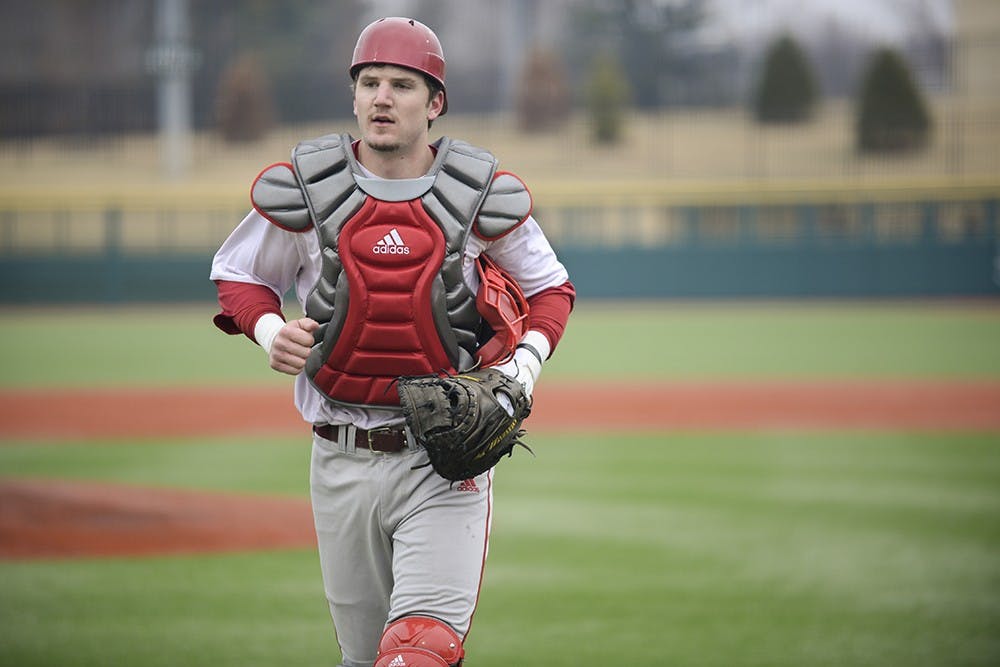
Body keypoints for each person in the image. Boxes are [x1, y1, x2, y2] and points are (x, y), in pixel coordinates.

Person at [210, 16, 574, 667]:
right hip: (338, 457)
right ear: (353, 96)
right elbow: (238, 275)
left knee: (417, 650)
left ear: (434, 103)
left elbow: (551, 291)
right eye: (369, 81)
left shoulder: (480, 194)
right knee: (363, 658)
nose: (382, 97)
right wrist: (269, 330)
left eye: (402, 84)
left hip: (440, 459)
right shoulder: (308, 187)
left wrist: (523, 368)